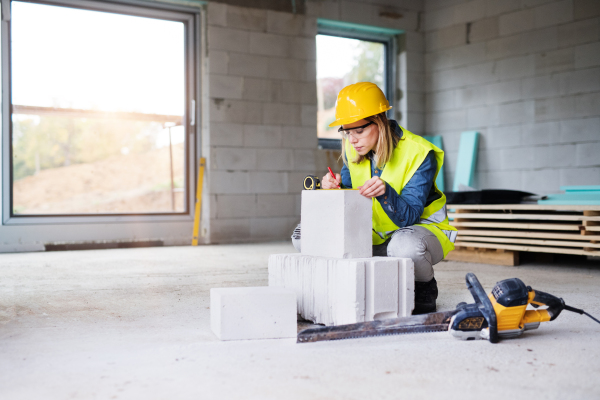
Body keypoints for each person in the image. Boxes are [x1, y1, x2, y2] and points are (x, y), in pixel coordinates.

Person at [291, 82, 457, 314]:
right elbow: (350, 203)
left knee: (404, 246)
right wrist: (332, 189)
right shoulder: (353, 150)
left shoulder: (419, 153)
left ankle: (424, 286)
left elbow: (408, 218)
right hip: (375, 236)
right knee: (303, 235)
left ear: (379, 122)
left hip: (418, 233)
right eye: (347, 133)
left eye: (359, 131)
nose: (353, 140)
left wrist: (385, 191)